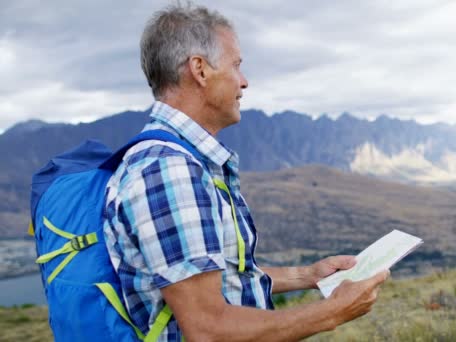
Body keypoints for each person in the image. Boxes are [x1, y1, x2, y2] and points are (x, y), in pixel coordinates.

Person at [103, 4, 389, 341]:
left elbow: (216, 279)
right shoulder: (170, 171)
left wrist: (307, 275)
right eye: (236, 65)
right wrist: (331, 312)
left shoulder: (182, 162)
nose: (244, 81)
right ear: (200, 69)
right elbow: (207, 329)